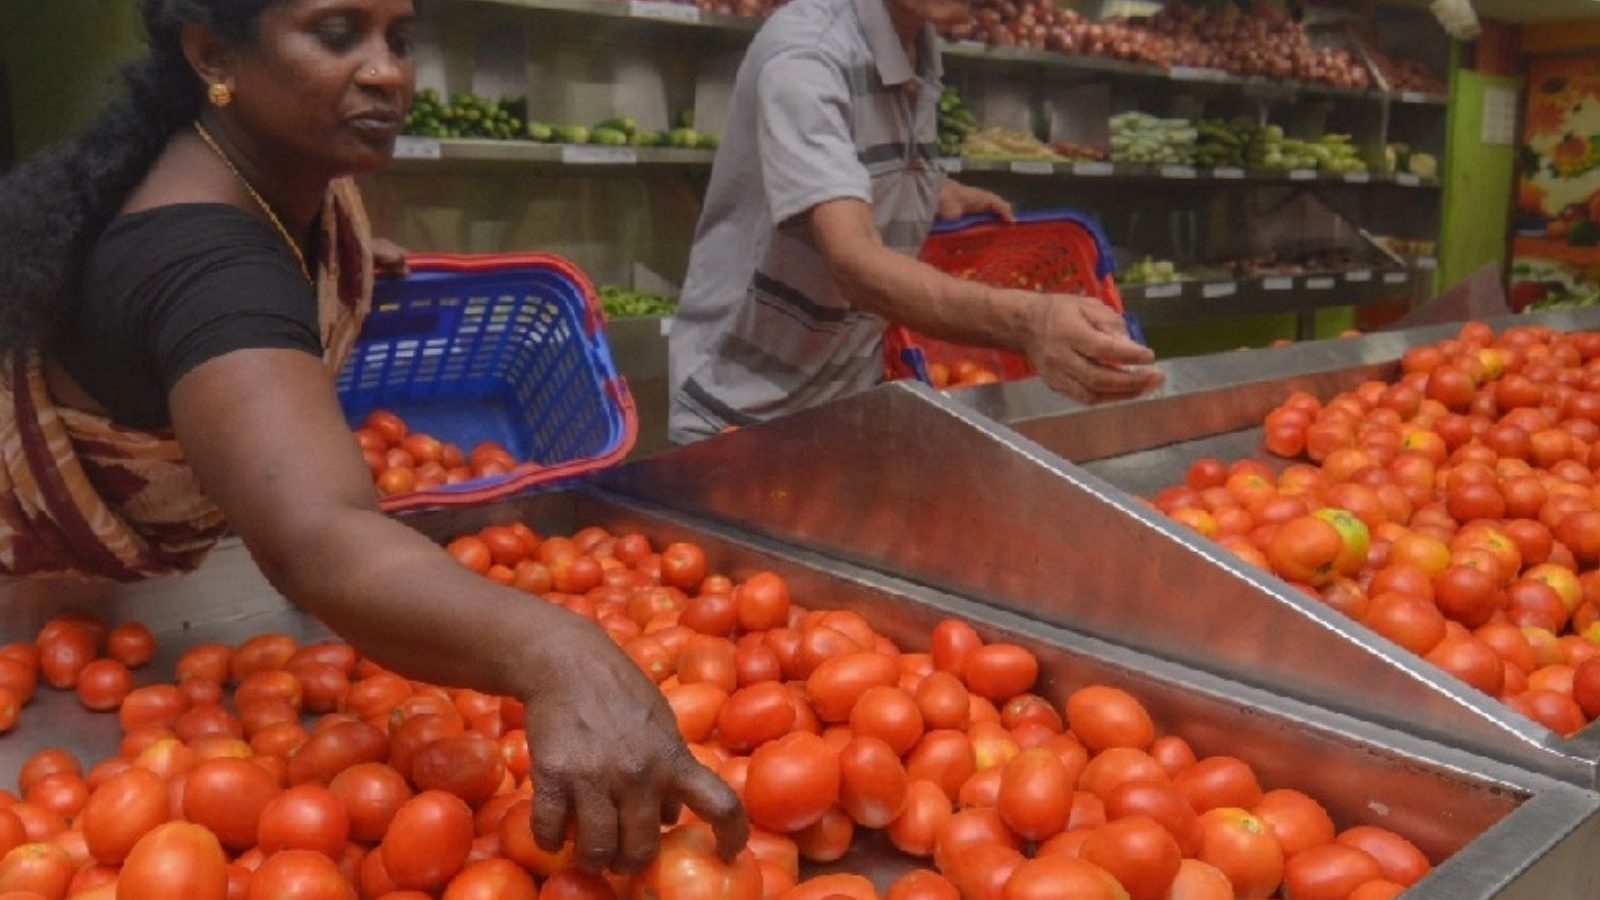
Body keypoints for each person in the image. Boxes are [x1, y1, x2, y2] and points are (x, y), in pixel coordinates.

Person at [0, 0, 744, 872]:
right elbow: (320, 542)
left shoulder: (280, 183)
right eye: (336, 33)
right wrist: (561, 654)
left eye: (401, 37)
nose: (387, 70)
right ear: (211, 54)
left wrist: (330, 266)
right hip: (43, 601)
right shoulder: (203, 262)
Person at [668, 0, 1164, 444]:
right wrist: (1029, 320)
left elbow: (854, 160)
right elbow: (853, 261)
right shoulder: (806, 55)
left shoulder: (916, 40)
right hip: (742, 414)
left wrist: (929, 192)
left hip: (841, 402)